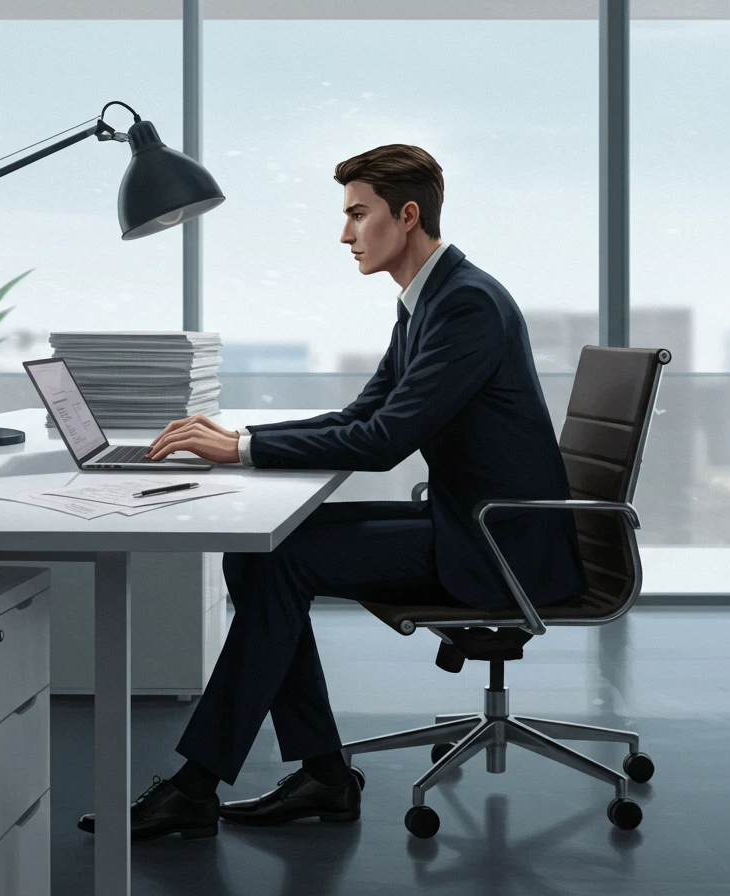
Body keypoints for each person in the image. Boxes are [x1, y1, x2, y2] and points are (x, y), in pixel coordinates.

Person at [81, 143, 587, 841]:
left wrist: (242, 449)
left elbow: (384, 443)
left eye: (358, 214)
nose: (345, 234)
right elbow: (362, 417)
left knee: (280, 559)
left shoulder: (465, 304)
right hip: (471, 523)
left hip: (501, 545)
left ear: (406, 216)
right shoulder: (428, 300)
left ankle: (199, 785)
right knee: (259, 554)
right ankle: (322, 773)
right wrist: (238, 439)